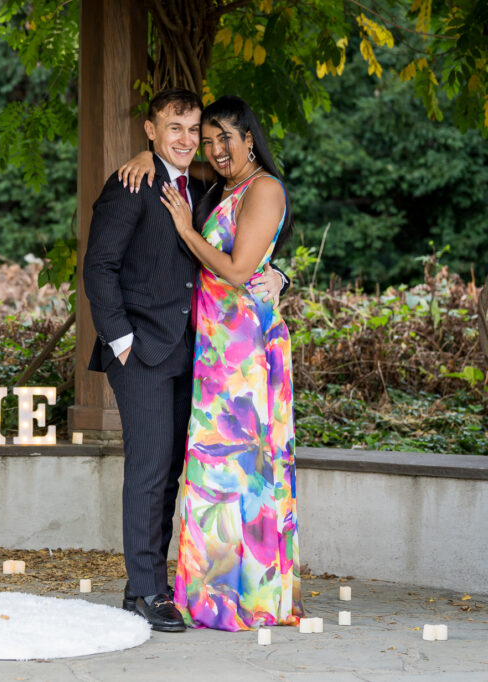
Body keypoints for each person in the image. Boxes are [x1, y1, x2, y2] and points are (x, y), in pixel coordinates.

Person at [82, 89, 285, 633]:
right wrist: (121, 342)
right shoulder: (131, 184)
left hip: (194, 353)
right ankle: (147, 592)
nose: (188, 139)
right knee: (149, 470)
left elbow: (243, 246)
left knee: (172, 472)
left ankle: (146, 586)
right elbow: (98, 267)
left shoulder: (201, 189)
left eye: (194, 130)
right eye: (175, 128)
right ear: (151, 131)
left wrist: (280, 275)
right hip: (141, 351)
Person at [150, 94, 303, 631]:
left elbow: (239, 270)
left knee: (241, 473)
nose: (215, 149)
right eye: (208, 140)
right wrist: (142, 155)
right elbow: (167, 161)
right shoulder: (223, 188)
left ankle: (248, 598)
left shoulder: (264, 189)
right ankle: (212, 595)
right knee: (213, 474)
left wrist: (187, 232)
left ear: (249, 139)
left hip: (245, 354)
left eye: (225, 139)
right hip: (215, 351)